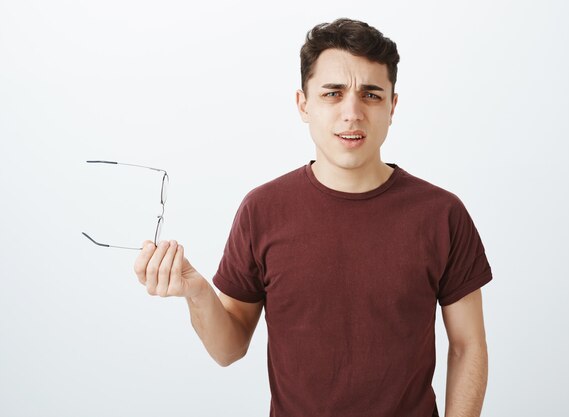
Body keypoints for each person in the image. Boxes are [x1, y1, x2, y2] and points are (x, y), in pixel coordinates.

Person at [133, 18, 493, 417]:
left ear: (392, 106)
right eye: (332, 94)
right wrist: (197, 292)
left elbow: (467, 345)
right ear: (303, 104)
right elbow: (229, 349)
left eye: (371, 95)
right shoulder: (262, 210)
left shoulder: (442, 214)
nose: (352, 113)